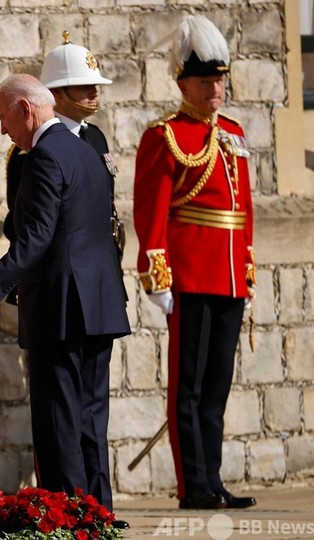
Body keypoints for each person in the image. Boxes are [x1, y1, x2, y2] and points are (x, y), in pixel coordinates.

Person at [0, 74, 130, 511]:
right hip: (98, 304)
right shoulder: (87, 150)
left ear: (25, 109)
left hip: (61, 307)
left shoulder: (44, 156)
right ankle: (99, 515)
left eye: (3, 117)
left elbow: (35, 238)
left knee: (59, 424)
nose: (2, 129)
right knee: (90, 420)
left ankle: (68, 520)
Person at [133, 14, 256, 510]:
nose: (215, 89)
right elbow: (151, 210)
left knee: (216, 387)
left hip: (229, 277)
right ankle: (194, 486)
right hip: (189, 275)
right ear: (184, 83)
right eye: (205, 81)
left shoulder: (234, 133)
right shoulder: (165, 136)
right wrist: (157, 274)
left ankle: (214, 480)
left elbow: (244, 212)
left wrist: (246, 268)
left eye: (219, 80)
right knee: (188, 386)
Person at [4, 32, 124, 304]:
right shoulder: (29, 150)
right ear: (56, 93)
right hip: (59, 279)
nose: (95, 92)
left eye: (95, 85)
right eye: (84, 86)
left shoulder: (96, 137)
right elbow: (22, 223)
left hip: (102, 269)